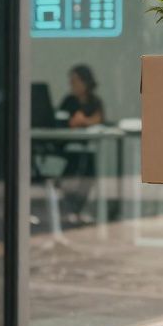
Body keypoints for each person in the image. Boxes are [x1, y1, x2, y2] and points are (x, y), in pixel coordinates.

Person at [57, 64, 104, 223]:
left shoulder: (94, 101)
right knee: (72, 172)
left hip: (87, 148)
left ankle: (77, 209)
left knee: (88, 171)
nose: (73, 84)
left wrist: (85, 121)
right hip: (70, 147)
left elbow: (99, 119)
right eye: (71, 81)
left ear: (86, 82)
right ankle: (69, 208)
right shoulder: (69, 101)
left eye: (76, 80)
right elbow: (61, 121)